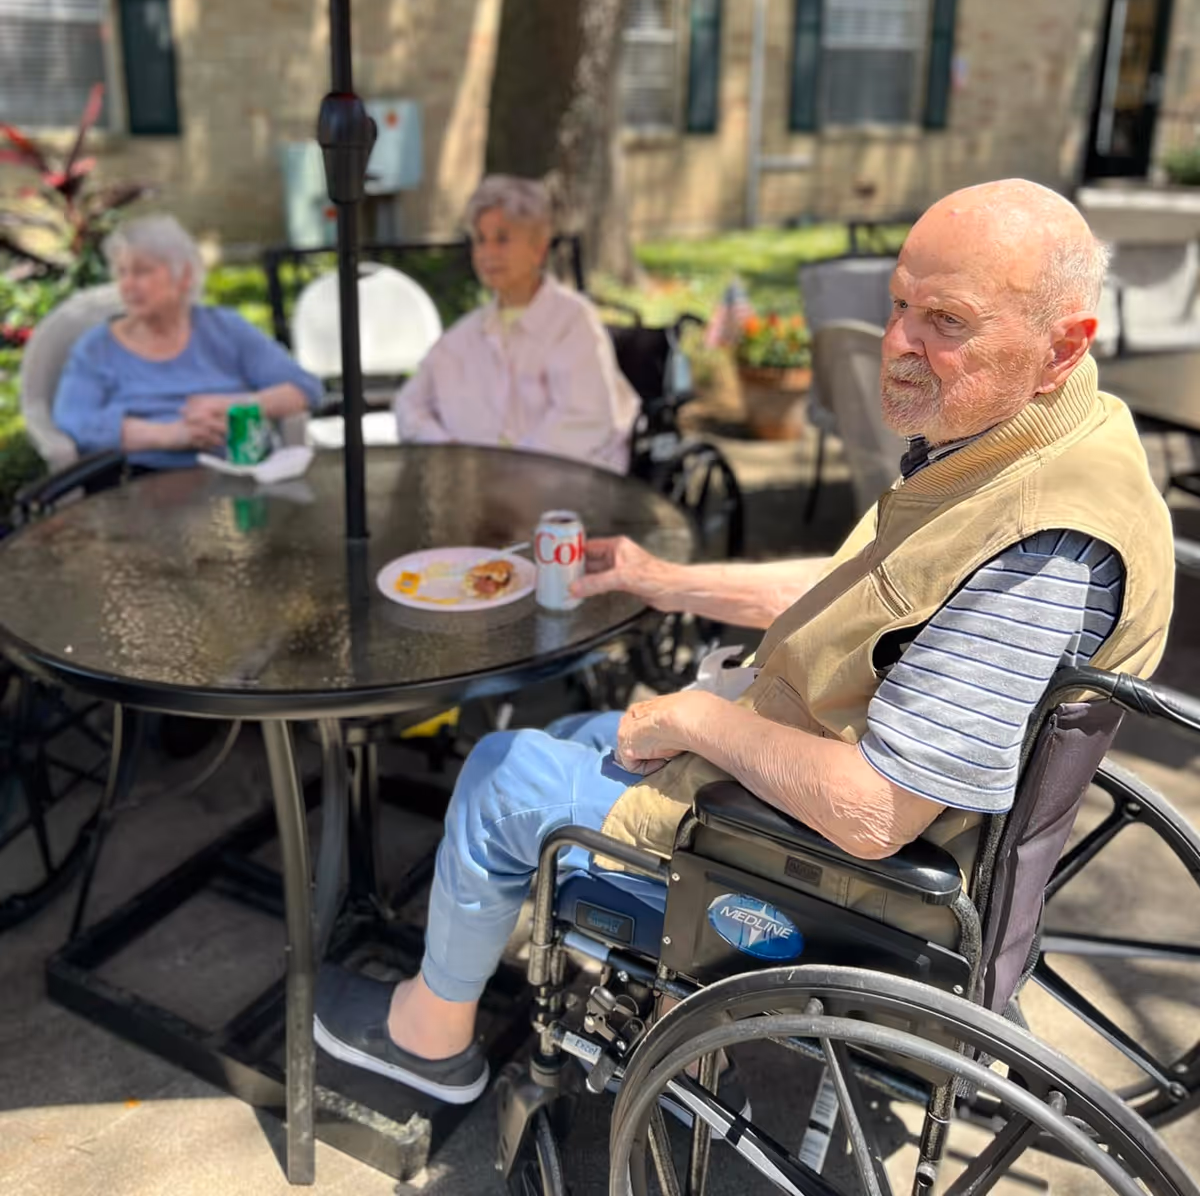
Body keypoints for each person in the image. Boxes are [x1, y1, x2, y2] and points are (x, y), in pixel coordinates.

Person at [315, 179, 1175, 1104]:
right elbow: (867, 594)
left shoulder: (1042, 544)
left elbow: (875, 815)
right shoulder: (1032, 442)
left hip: (824, 877)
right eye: (897, 304)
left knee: (497, 772)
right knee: (571, 739)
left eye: (946, 321)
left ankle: (429, 1042)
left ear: (1062, 346)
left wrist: (695, 720)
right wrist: (661, 580)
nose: (898, 343)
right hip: (809, 774)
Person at [393, 175, 638, 472]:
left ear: (539, 248)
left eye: (502, 239)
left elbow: (584, 421)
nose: (487, 253)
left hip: (567, 488)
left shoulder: (573, 322)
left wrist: (508, 472)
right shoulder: (467, 333)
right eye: (480, 240)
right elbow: (409, 403)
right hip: (479, 489)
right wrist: (447, 450)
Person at [52, 214, 324, 469]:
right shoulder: (97, 348)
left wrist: (233, 405)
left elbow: (304, 388)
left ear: (184, 276)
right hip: (136, 483)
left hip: (236, 474)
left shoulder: (225, 328)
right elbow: (75, 420)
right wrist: (172, 435)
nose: (127, 284)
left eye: (142, 272)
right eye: (121, 273)